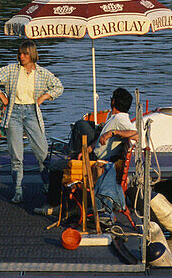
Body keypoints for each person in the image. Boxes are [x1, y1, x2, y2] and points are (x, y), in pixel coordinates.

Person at [36, 87, 137, 217]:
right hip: (96, 157)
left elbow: (136, 135)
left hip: (98, 165)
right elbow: (101, 138)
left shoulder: (120, 119)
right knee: (81, 126)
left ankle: (53, 206)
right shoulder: (115, 118)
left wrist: (113, 132)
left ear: (113, 102)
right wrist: (88, 149)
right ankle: (72, 161)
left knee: (55, 167)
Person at [0, 42, 63, 203]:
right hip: (14, 113)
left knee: (42, 152)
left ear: (32, 55)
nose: (21, 57)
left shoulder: (41, 73)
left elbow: (58, 87)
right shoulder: (12, 69)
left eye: (25, 54)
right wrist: (2, 97)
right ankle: (18, 191)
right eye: (20, 53)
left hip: (32, 112)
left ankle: (47, 185)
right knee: (16, 156)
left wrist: (44, 97)